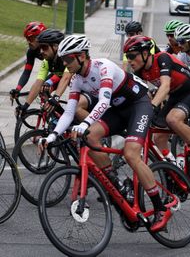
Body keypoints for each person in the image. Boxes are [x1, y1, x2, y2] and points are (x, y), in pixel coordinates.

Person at [38, 35, 170, 232]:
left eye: (68, 60)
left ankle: (160, 207)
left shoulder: (104, 67)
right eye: (63, 60)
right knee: (89, 137)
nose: (65, 64)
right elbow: (69, 111)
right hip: (117, 111)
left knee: (131, 153)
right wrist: (52, 135)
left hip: (138, 105)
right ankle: (117, 184)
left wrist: (86, 123)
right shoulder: (77, 81)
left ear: (81, 56)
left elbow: (104, 102)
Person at [123, 35, 190, 176]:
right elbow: (138, 94)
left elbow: (165, 86)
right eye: (128, 57)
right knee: (157, 136)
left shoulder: (162, 58)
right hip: (176, 95)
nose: (130, 61)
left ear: (145, 54)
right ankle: (173, 170)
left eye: (132, 56)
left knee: (173, 119)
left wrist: (151, 107)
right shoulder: (140, 70)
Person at [15, 29, 72, 116]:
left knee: (78, 107)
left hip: (77, 81)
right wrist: (25, 106)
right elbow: (38, 82)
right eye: (40, 47)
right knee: (43, 89)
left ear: (55, 46)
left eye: (44, 47)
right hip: (61, 76)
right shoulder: (46, 61)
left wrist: (56, 97)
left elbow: (66, 78)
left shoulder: (68, 57)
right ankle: (58, 117)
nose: (41, 51)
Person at [9, 21, 47, 101]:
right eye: (27, 39)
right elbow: (27, 72)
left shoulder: (50, 48)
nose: (28, 42)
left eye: (30, 38)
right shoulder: (31, 51)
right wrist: (18, 89)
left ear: (40, 37)